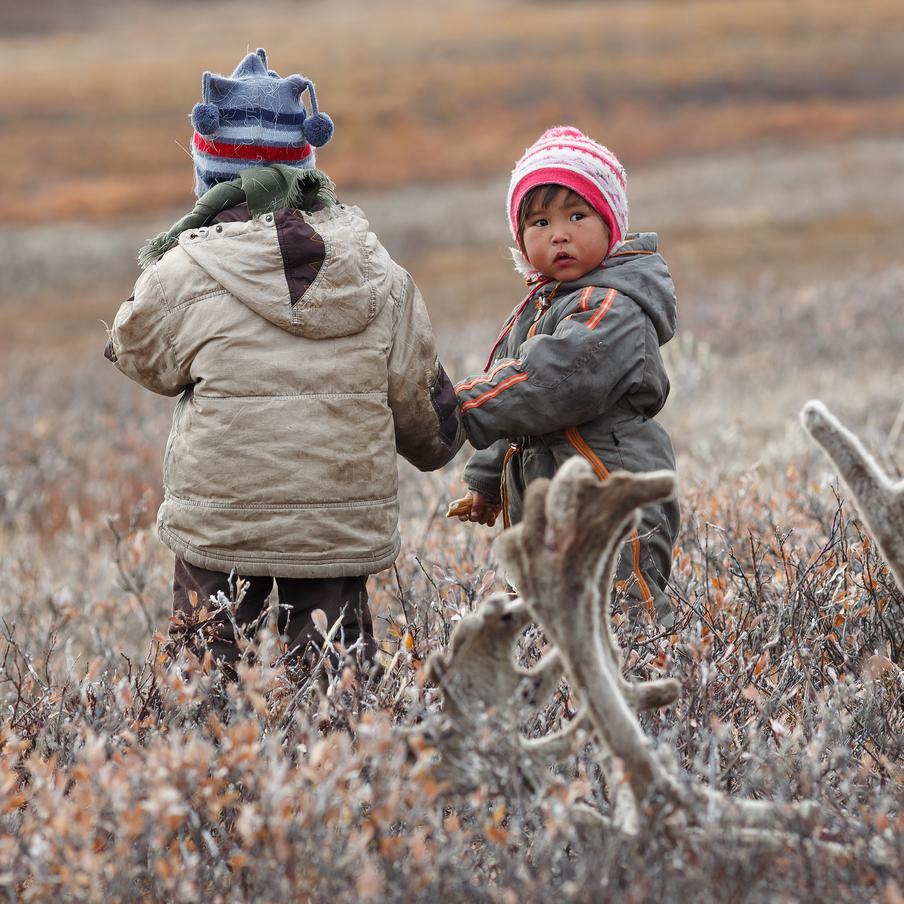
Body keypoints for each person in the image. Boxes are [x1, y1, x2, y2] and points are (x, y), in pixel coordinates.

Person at [105, 49, 463, 669]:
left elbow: (137, 353)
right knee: (330, 686)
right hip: (336, 533)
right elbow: (426, 417)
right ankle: (336, 757)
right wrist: (446, 440)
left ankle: (204, 764)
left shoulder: (185, 269)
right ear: (306, 168)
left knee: (205, 684)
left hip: (219, 529)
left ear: (210, 177)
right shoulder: (380, 272)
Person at [452, 126, 679, 625]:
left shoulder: (612, 307)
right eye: (539, 222)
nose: (559, 234)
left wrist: (462, 407)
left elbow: (550, 380)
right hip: (546, 501)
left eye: (577, 216)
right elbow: (514, 389)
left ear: (611, 224)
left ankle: (659, 693)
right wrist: (487, 479)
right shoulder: (540, 306)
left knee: (624, 615)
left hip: (613, 495)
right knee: (553, 617)